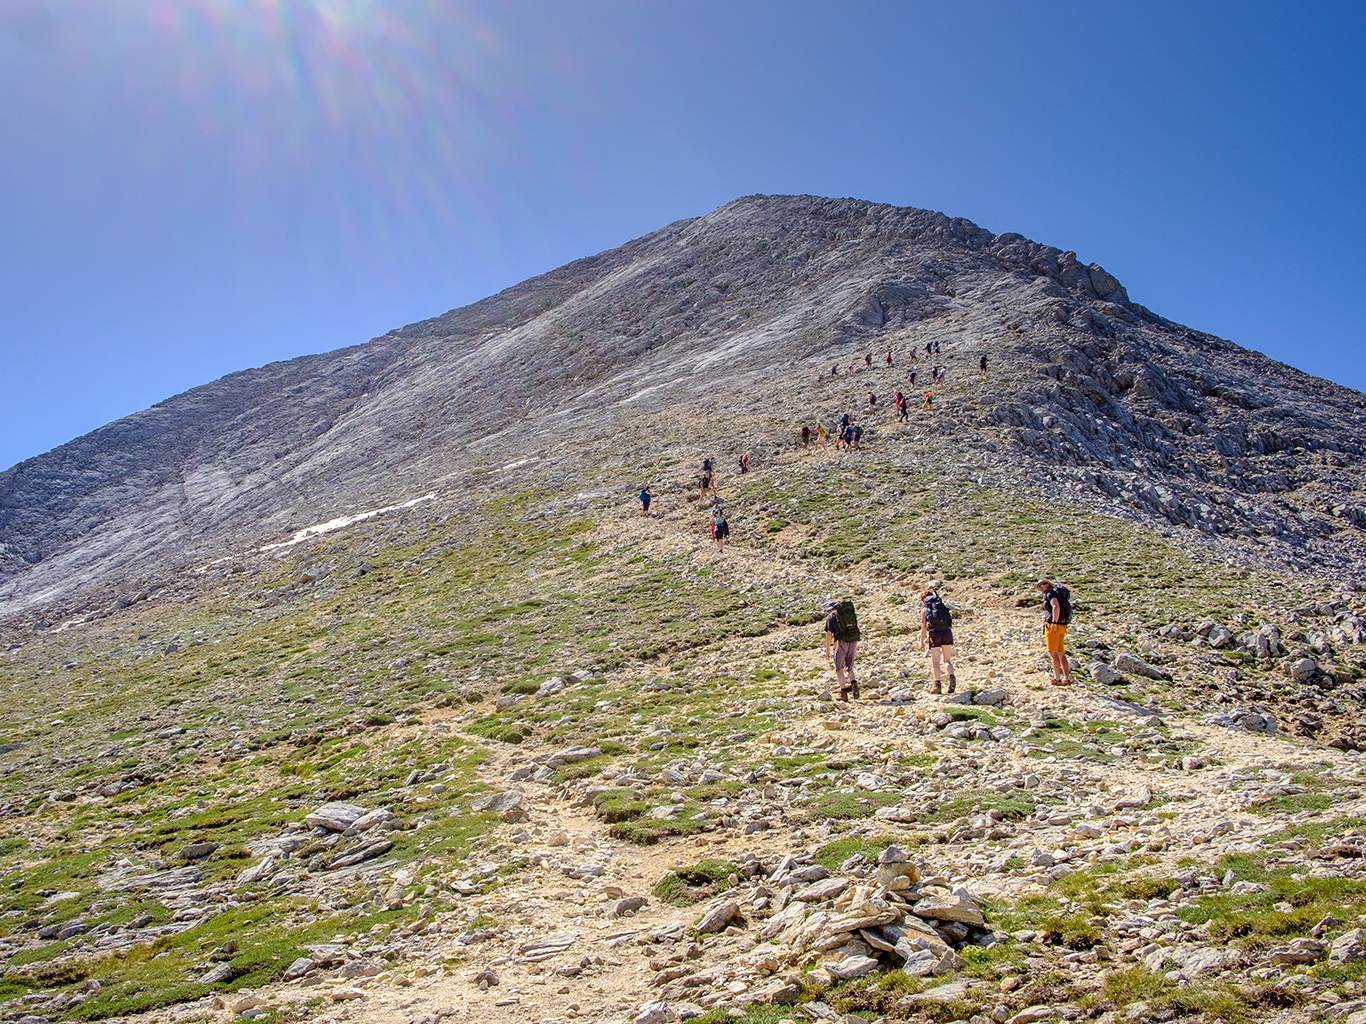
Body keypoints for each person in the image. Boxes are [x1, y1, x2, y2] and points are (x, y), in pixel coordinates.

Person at [918, 588, 956, 694]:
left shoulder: (925, 610)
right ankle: (952, 678)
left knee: (935, 661)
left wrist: (921, 642)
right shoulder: (941, 606)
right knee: (947, 660)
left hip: (934, 634)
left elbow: (924, 627)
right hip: (947, 632)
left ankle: (937, 686)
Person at [1037, 580, 1073, 686]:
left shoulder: (1050, 593)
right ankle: (1066, 678)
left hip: (1054, 626)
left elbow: (1055, 606)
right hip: (1062, 626)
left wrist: (1054, 622)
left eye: (1042, 585)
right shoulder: (1058, 594)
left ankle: (1057, 678)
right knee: (1061, 652)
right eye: (1039, 586)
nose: (1041, 588)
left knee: (1053, 653)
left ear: (1047, 585)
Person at [823, 598, 860, 700]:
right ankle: (853, 683)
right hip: (853, 640)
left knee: (839, 668)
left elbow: (829, 634)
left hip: (841, 642)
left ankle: (843, 693)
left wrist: (827, 649)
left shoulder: (832, 617)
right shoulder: (848, 616)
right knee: (849, 667)